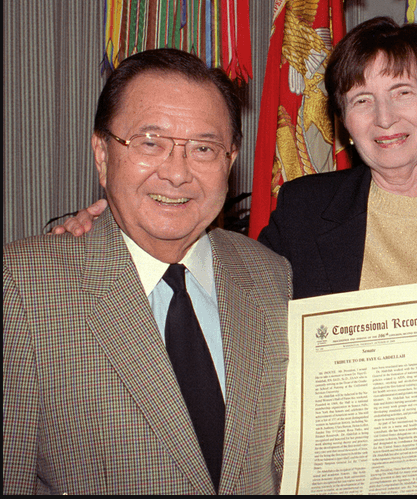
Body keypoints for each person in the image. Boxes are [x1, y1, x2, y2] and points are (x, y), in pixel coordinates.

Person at [55, 18, 417, 495]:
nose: (384, 117)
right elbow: (228, 284)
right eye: (361, 99)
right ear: (344, 120)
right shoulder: (305, 210)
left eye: (402, 93)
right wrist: (116, 227)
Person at [3, 49, 293, 494]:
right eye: (150, 142)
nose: (177, 174)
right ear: (102, 154)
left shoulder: (270, 277)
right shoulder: (25, 289)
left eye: (203, 148)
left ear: (230, 161)